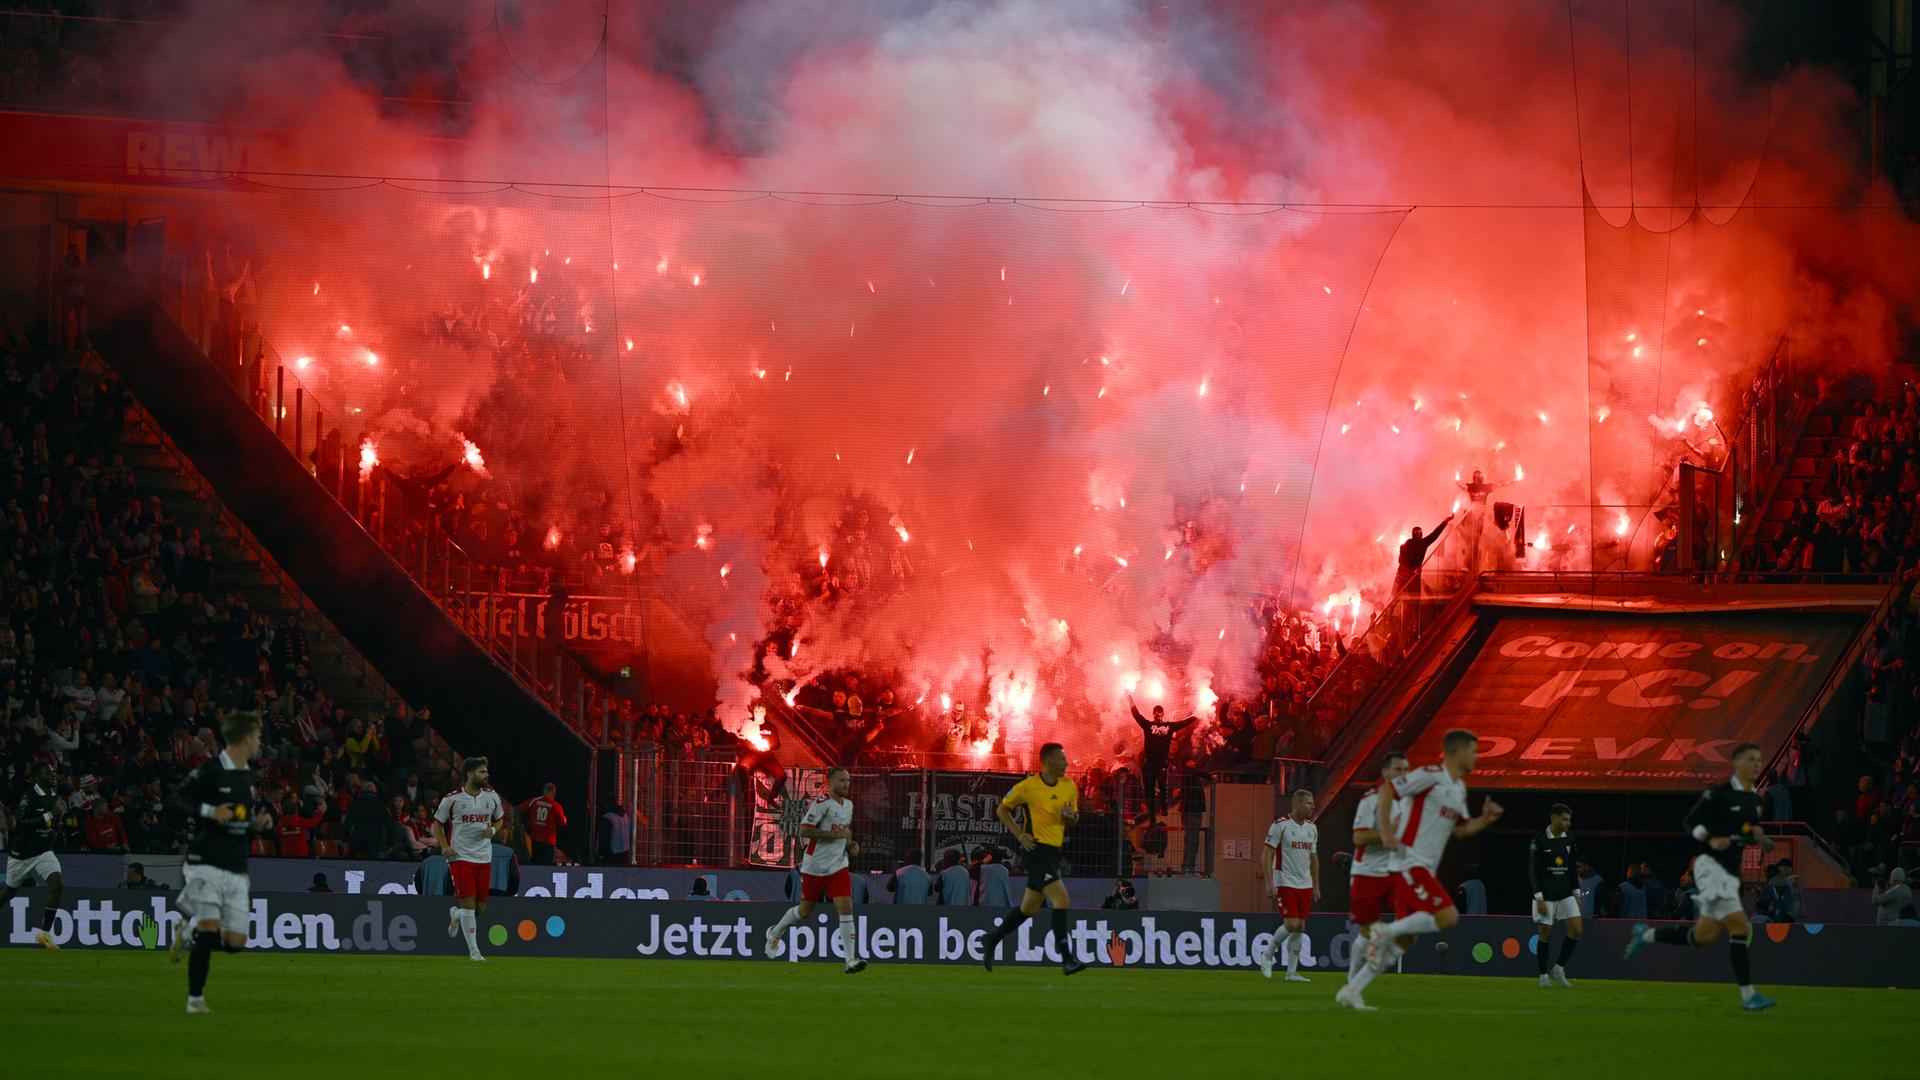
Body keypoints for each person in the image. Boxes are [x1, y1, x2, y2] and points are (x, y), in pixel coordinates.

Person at [1338, 728, 1503, 1012]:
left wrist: (1484, 820)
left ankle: (1352, 989)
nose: (1476, 757)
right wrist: (1388, 832)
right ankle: (1382, 934)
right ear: (1459, 752)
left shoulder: (1458, 788)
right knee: (1448, 916)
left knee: (1406, 940)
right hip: (1409, 863)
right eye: (1473, 751)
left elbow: (1461, 828)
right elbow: (1390, 789)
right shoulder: (1430, 776)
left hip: (1418, 866)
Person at [1624, 742, 1779, 1011]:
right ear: (1738, 763)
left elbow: (1746, 827)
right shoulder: (1718, 793)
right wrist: (1710, 837)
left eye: (1759, 760)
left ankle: (1646, 936)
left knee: (1703, 937)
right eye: (1751, 760)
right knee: (1740, 927)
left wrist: (1761, 838)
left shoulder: (1754, 799)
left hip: (1729, 870)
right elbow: (1691, 822)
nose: (1757, 765)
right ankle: (1748, 996)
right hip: (1710, 866)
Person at [171, 711, 267, 1014]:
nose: (259, 742)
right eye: (258, 737)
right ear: (246, 739)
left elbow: (237, 815)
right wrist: (209, 811)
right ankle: (195, 1000)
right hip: (205, 862)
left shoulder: (248, 775)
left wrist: (255, 823)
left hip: (236, 865)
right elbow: (177, 799)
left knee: (236, 942)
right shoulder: (211, 771)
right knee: (211, 929)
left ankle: (189, 933)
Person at [982, 743, 1087, 975]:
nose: (1067, 763)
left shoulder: (1069, 786)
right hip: (1035, 852)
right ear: (1049, 762)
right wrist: (1020, 835)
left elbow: (1073, 818)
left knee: (1028, 908)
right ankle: (1067, 959)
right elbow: (1002, 810)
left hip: (1053, 853)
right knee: (1061, 899)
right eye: (1062, 759)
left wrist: (1071, 817)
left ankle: (992, 939)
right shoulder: (1028, 787)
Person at [762, 766, 866, 973]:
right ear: (830, 783)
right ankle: (776, 932)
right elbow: (805, 830)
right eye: (841, 780)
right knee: (805, 911)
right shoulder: (821, 803)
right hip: (815, 866)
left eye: (848, 780)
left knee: (846, 908)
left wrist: (849, 844)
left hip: (838, 866)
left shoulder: (849, 805)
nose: (846, 784)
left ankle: (850, 960)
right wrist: (834, 836)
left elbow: (842, 832)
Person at [434, 756, 505, 963]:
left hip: (484, 857)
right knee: (468, 905)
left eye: (486, 771)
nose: (486, 775)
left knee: (479, 908)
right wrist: (445, 846)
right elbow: (437, 824)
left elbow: (500, 819)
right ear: (469, 775)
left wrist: (493, 829)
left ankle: (456, 915)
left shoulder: (492, 797)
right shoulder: (452, 799)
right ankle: (474, 952)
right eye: (482, 772)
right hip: (460, 857)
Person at [1346, 752, 1408, 982]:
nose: (1403, 775)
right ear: (1385, 772)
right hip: (1367, 872)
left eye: (1405, 770)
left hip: (1393, 871)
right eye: (1398, 770)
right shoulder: (1370, 800)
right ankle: (1353, 977)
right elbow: (1359, 839)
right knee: (1366, 931)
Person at [1258, 788, 1320, 982]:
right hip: (1285, 881)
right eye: (1309, 803)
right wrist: (1269, 882)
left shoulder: (1312, 828)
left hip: (1305, 883)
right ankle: (1267, 955)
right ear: (1298, 804)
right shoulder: (1280, 825)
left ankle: (1291, 973)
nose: (1313, 807)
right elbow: (1266, 855)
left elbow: (1314, 858)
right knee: (1291, 923)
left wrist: (1316, 884)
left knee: (1301, 926)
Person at [2, 763, 65, 949]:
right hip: (21, 853)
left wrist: (55, 828)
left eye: (53, 773)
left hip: (42, 850)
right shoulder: (29, 795)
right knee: (8, 892)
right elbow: (20, 823)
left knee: (57, 885)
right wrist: (48, 817)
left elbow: (50, 822)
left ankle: (45, 933)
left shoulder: (54, 796)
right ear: (37, 778)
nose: (53, 776)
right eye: (47, 773)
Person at [1529, 803, 1582, 989]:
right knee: (1545, 934)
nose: (1569, 823)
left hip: (1565, 893)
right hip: (1546, 895)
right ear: (1554, 818)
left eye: (1569, 819)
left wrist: (1577, 893)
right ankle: (1543, 976)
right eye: (1565, 819)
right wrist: (1539, 897)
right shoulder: (1539, 840)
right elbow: (1533, 870)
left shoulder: (1570, 839)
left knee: (1576, 930)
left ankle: (1558, 969)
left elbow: (1572, 869)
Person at [1127, 694, 1196, 820]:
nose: (1158, 715)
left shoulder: (1162, 726)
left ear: (1161, 714)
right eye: (1157, 713)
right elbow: (1137, 715)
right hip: (1152, 763)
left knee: (1161, 786)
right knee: (1152, 789)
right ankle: (1154, 814)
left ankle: (1162, 808)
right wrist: (1131, 701)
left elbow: (1183, 723)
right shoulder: (1154, 726)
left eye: (1159, 713)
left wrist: (1194, 717)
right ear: (1154, 714)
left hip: (1159, 763)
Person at [1394, 514, 1454, 594]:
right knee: (1394, 597)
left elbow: (1435, 534)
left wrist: (1446, 521)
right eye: (1417, 533)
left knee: (1413, 600)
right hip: (1402, 576)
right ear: (1413, 534)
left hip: (1413, 577)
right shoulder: (1408, 544)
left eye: (1420, 533)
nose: (1419, 534)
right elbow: (1401, 560)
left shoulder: (1423, 543)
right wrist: (1412, 570)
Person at [520, 782, 568, 866]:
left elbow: (519, 810)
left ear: (543, 791)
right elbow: (563, 822)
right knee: (546, 870)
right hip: (548, 843)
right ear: (554, 793)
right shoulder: (556, 806)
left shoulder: (534, 801)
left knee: (533, 867)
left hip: (533, 842)